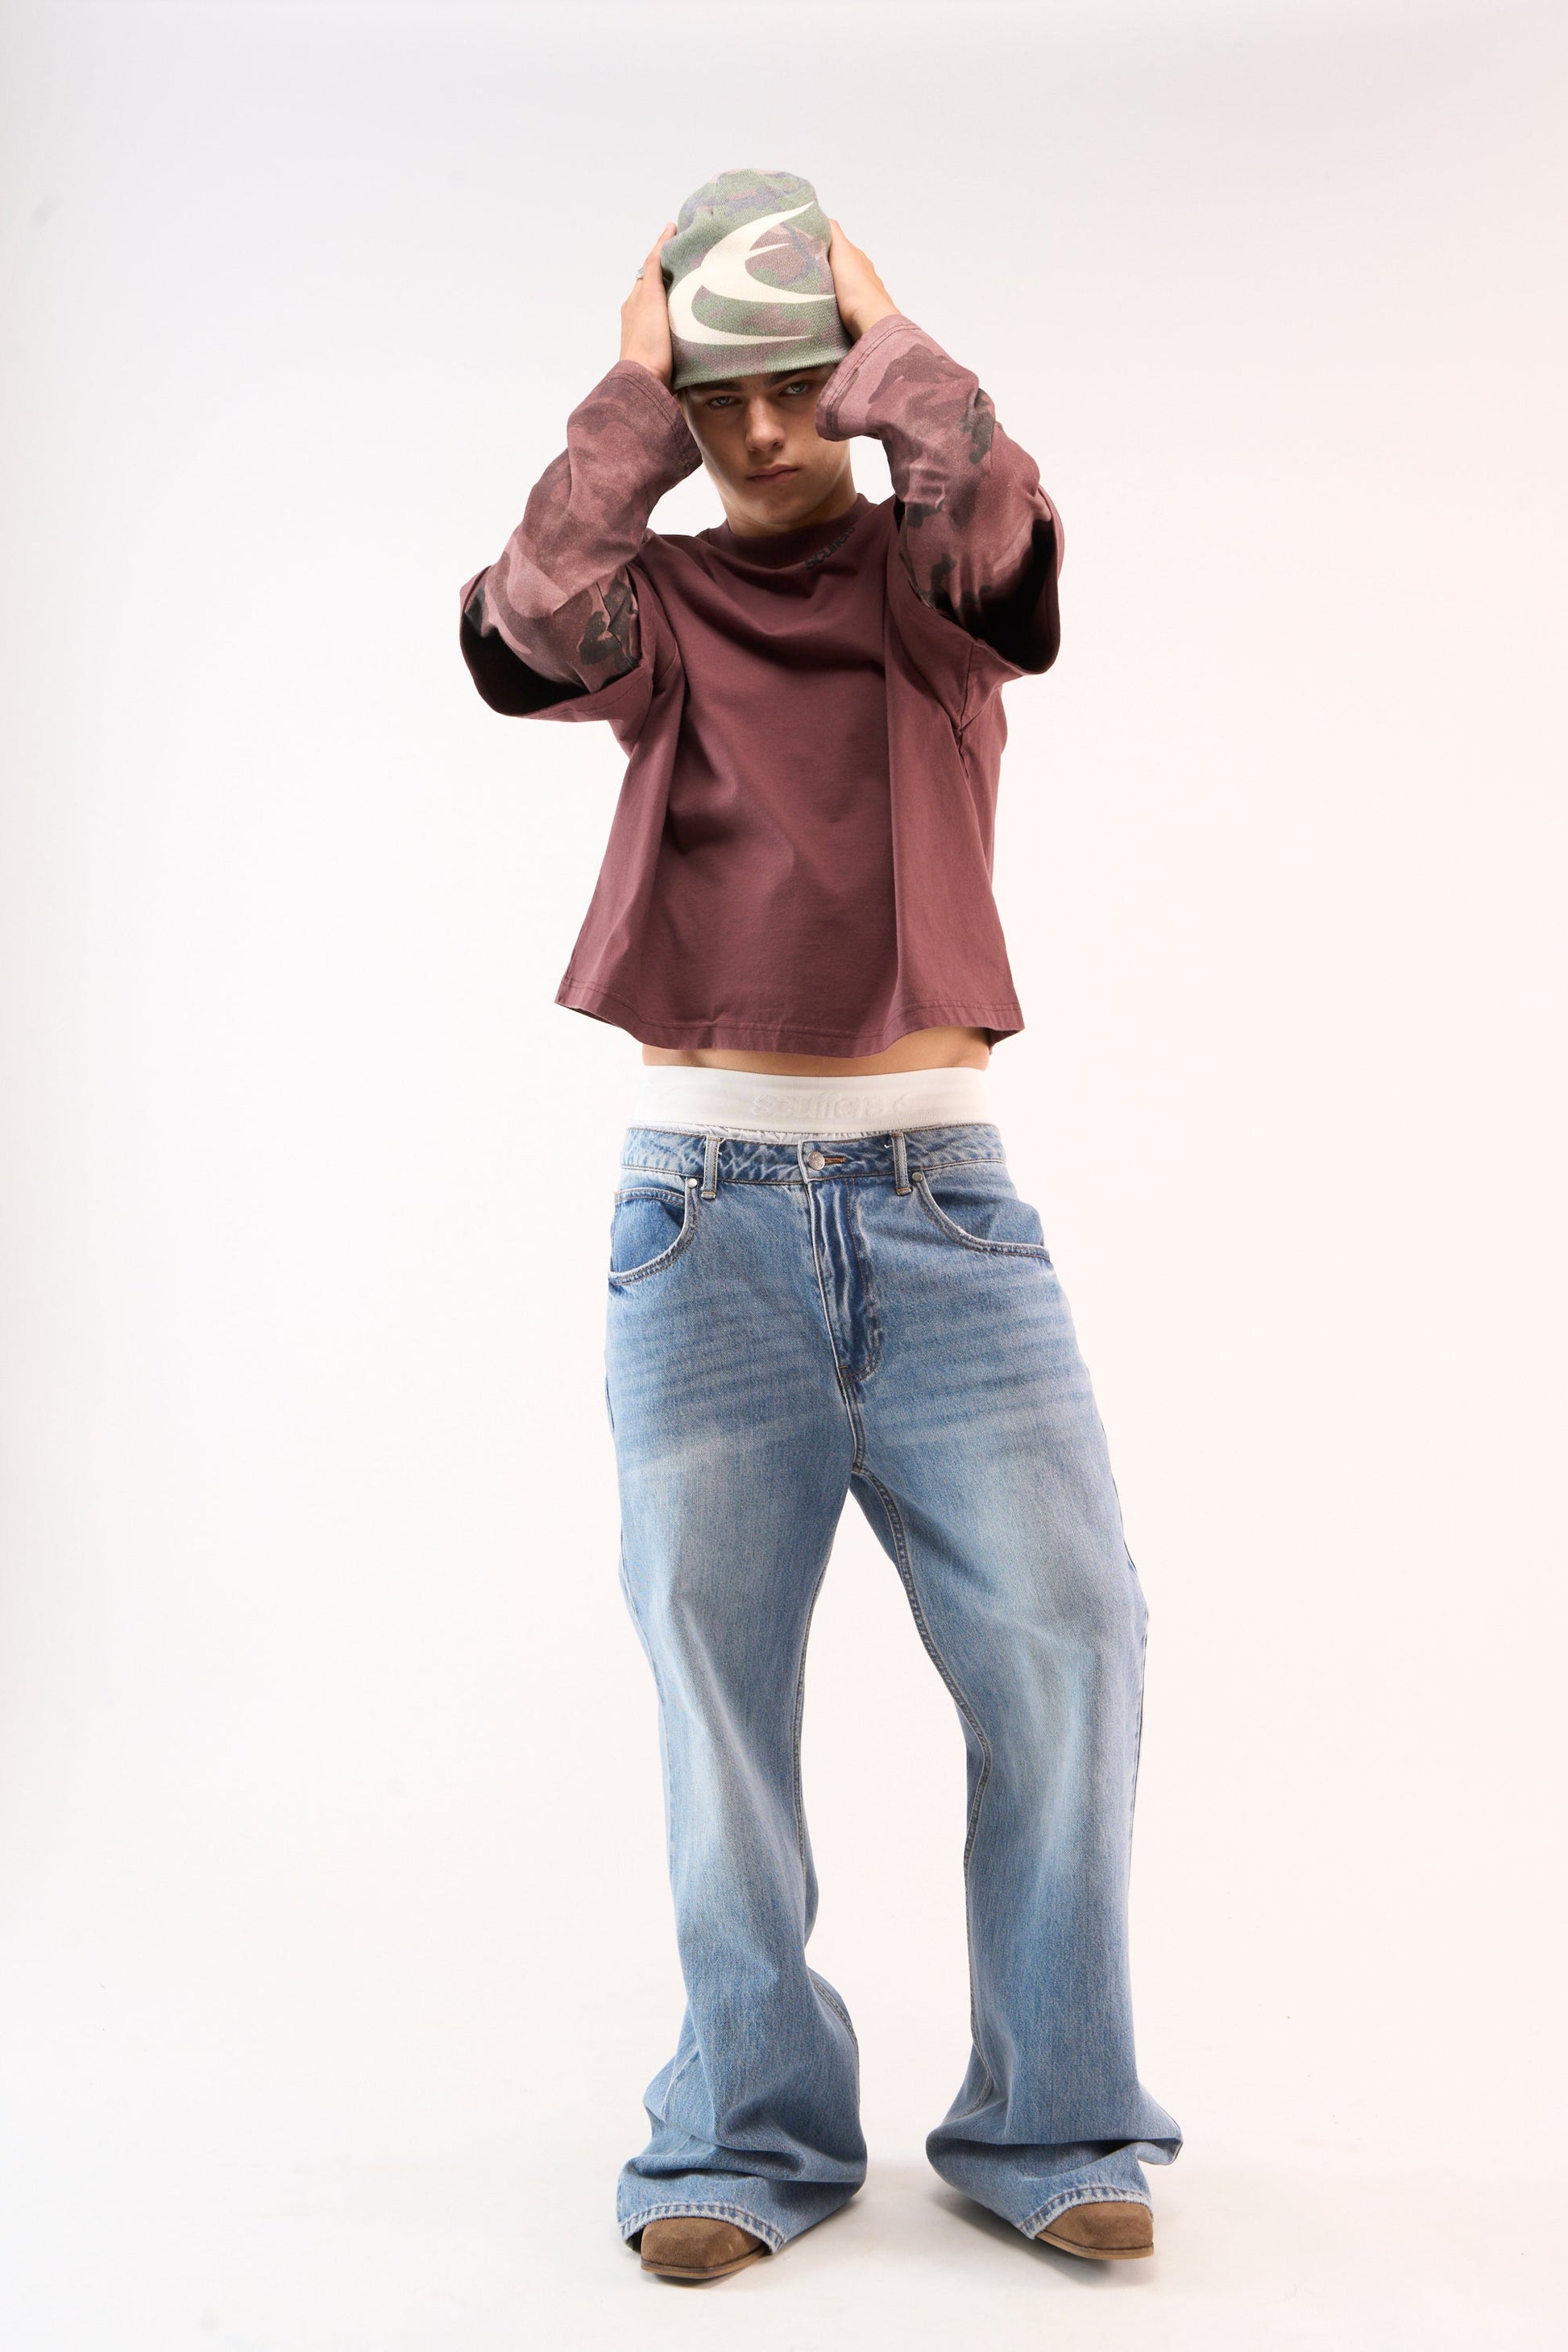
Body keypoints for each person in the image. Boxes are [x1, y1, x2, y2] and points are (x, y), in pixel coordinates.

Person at [458, 168, 1180, 2285]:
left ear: (849, 380)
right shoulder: (661, 607)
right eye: (722, 400)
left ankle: (1052, 2118)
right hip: (699, 1216)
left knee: (1069, 1640)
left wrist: (897, 341)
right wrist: (628, 392)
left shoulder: (933, 586)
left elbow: (995, 525)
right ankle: (745, 2128)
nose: (763, 434)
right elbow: (524, 626)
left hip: (945, 1204)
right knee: (716, 1687)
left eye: (795, 387)